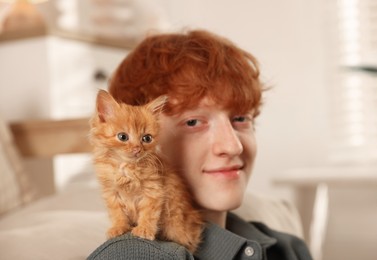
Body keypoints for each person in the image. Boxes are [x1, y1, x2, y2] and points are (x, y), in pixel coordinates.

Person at [87, 29, 313, 260]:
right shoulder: (137, 253)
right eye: (193, 121)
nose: (232, 146)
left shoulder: (288, 247)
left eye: (241, 118)